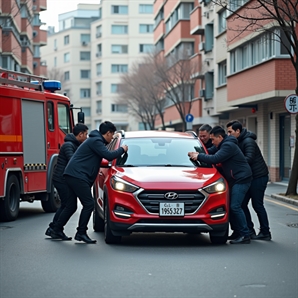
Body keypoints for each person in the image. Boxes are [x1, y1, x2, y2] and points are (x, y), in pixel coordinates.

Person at [63, 121, 128, 244]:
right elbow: (108, 155)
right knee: (89, 204)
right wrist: (122, 149)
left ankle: (55, 228)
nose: (112, 137)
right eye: (112, 134)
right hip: (77, 176)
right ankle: (81, 232)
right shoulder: (96, 141)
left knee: (71, 205)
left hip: (72, 174)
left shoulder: (95, 140)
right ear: (108, 133)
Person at [188, 126, 252, 244]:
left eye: (213, 140)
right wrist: (196, 151)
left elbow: (215, 158)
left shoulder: (228, 146)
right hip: (235, 178)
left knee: (235, 206)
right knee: (234, 206)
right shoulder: (223, 144)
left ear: (220, 137)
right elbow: (210, 151)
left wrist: (198, 156)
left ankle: (245, 234)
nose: (212, 142)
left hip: (241, 179)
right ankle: (238, 232)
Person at [226, 120, 271, 240]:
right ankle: (249, 230)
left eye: (230, 132)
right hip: (248, 178)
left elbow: (248, 159)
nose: (228, 135)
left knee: (257, 205)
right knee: (241, 204)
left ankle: (265, 232)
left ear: (238, 131)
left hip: (258, 177)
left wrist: (234, 161)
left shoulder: (248, 141)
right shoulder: (238, 141)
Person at [45, 123, 89, 240]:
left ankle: (54, 228)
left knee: (66, 205)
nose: (86, 137)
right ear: (80, 134)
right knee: (70, 206)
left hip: (63, 179)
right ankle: (56, 229)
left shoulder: (73, 144)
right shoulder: (69, 145)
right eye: (85, 134)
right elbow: (73, 161)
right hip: (62, 179)